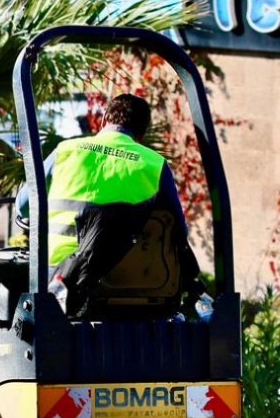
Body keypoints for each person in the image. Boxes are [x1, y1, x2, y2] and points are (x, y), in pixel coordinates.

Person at [16, 94, 196, 313]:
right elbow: (178, 229)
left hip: (58, 280)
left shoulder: (65, 151)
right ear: (142, 133)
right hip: (140, 290)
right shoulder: (155, 165)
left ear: (104, 120)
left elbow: (23, 206)